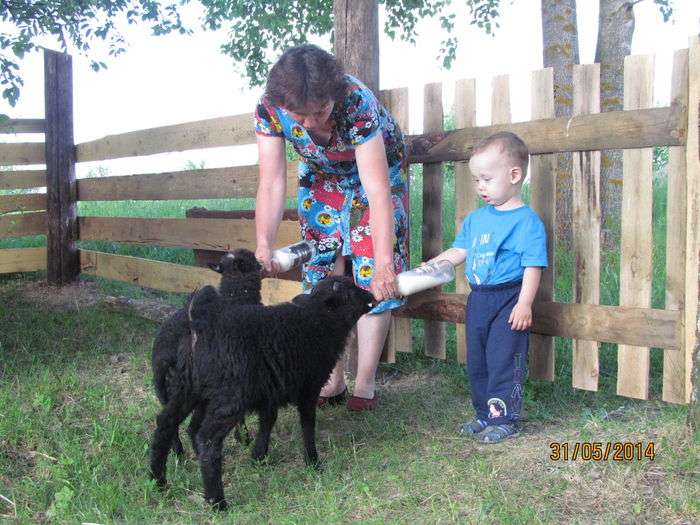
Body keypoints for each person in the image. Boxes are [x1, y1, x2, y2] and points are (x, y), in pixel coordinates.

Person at [253, 44, 409, 411]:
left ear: (333, 95)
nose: (309, 124)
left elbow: (377, 190)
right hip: (322, 176)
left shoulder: (356, 101)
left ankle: (365, 386)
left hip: (374, 177)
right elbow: (272, 183)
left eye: (319, 111)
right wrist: (264, 243)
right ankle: (332, 380)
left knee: (374, 273)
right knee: (323, 272)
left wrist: (385, 261)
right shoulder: (268, 109)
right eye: (299, 116)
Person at [426, 131, 547, 442]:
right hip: (479, 299)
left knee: (502, 359)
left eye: (486, 179)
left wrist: (524, 304)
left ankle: (504, 418)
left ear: (514, 175)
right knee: (478, 359)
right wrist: (435, 264)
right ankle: (484, 415)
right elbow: (460, 251)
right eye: (477, 180)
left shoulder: (527, 222)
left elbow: (533, 266)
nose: (480, 186)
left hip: (509, 299)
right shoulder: (477, 219)